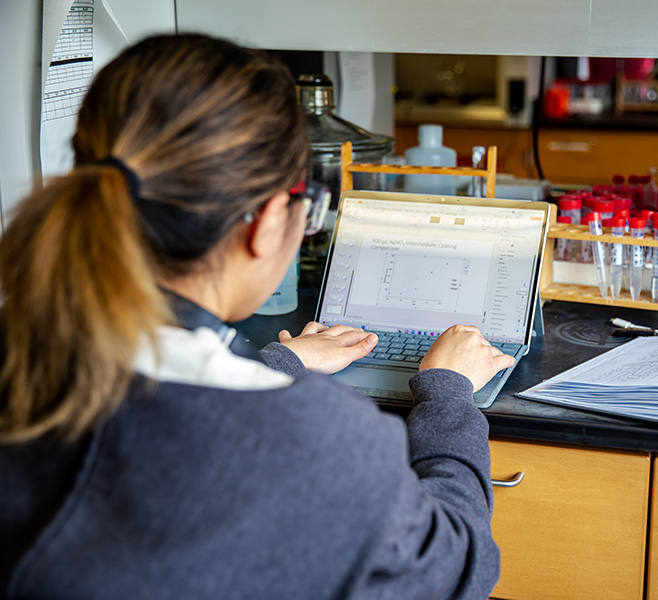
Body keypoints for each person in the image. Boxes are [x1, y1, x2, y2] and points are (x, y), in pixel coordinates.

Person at [0, 34, 514, 599]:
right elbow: (458, 565)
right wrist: (447, 392)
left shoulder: (22, 351)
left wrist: (276, 364)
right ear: (268, 221)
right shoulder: (325, 440)